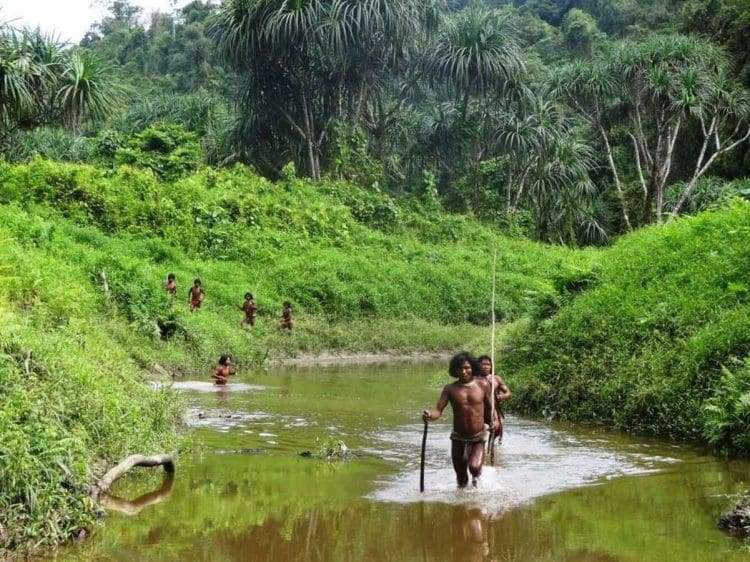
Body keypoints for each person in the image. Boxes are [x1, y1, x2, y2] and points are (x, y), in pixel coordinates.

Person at [422, 352, 499, 488]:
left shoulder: (483, 385)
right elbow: (438, 411)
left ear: (473, 368)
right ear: (455, 370)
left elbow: (490, 407)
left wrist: (495, 420)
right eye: (460, 369)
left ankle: (477, 486)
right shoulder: (450, 389)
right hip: (457, 437)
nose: (464, 371)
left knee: (474, 467)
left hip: (478, 437)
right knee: (461, 476)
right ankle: (462, 502)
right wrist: (430, 415)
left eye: (467, 368)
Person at [476, 355, 512, 443]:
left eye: (488, 364)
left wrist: (500, 397)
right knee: (478, 437)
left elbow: (508, 393)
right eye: (483, 364)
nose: (486, 366)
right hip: (478, 412)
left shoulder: (496, 379)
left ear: (491, 366)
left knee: (496, 435)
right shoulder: (474, 379)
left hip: (493, 411)